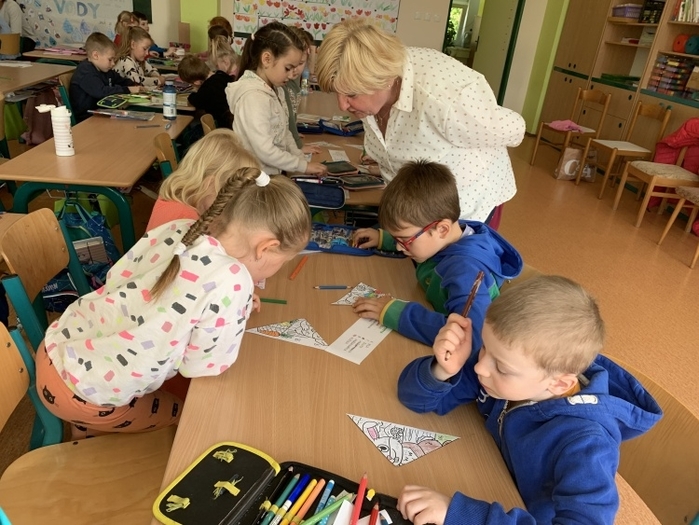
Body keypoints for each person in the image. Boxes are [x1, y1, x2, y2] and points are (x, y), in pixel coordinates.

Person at [36, 168, 312, 438]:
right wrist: (232, 310)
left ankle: (86, 425)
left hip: (55, 346)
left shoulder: (182, 229)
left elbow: (123, 279)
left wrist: (231, 306)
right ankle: (89, 429)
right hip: (83, 393)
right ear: (265, 247)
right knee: (187, 418)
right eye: (283, 261)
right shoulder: (233, 279)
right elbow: (201, 367)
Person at [396, 275, 662, 525]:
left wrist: (463, 515)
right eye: (485, 347)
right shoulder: (503, 371)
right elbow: (414, 399)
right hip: (489, 480)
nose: (480, 367)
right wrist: (443, 370)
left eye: (501, 367)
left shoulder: (586, 444)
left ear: (559, 384)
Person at [315, 18, 526, 229]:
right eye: (336, 93)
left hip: (467, 205)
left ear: (384, 79)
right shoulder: (371, 94)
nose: (342, 105)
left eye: (351, 94)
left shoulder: (443, 97)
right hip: (415, 207)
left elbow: (514, 129)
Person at [352, 160, 522, 348]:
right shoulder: (448, 235)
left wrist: (397, 313)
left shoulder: (466, 270)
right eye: (396, 239)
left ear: (442, 229)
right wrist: (385, 238)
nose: (400, 247)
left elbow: (468, 338)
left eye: (405, 240)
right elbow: (423, 239)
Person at [225, 21, 327, 176]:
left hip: (272, 174)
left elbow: (285, 132)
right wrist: (302, 166)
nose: (292, 75)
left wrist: (301, 160)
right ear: (267, 59)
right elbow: (265, 151)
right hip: (253, 180)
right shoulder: (253, 98)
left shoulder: (276, 90)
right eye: (288, 68)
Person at [146, 128, 259, 231]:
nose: (232, 210)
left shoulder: (175, 200)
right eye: (230, 201)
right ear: (209, 184)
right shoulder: (186, 220)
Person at [69, 32, 141, 123]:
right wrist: (128, 89)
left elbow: (119, 80)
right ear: (95, 55)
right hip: (87, 119)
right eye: (110, 59)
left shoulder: (104, 69)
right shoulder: (85, 71)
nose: (113, 63)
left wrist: (134, 84)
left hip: (102, 113)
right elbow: (102, 92)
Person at [178, 53, 234, 129]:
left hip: (223, 128)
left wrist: (196, 90)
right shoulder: (222, 75)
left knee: (193, 128)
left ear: (197, 82)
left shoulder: (206, 89)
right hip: (233, 123)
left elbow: (193, 99)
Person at [284, 27, 313, 151]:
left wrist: (293, 134)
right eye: (291, 64)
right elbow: (289, 116)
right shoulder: (282, 85)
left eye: (300, 63)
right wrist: (297, 144)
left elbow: (292, 115)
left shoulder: (294, 80)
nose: (295, 69)